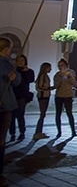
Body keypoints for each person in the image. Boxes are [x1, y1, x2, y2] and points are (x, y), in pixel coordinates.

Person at [0, 37, 20, 187]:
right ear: (6, 49)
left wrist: (14, 77)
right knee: (1, 140)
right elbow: (14, 77)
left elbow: (17, 79)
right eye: (10, 49)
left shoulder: (8, 63)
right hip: (4, 104)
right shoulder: (5, 63)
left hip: (6, 103)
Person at [9, 54, 34, 141]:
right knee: (11, 116)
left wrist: (26, 71)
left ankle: (22, 132)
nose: (20, 62)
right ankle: (12, 133)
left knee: (20, 115)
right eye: (19, 60)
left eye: (22, 60)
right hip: (12, 95)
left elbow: (30, 80)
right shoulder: (14, 71)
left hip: (22, 96)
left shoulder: (29, 71)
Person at [52, 58, 77, 138]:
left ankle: (73, 131)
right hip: (59, 96)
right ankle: (59, 131)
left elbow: (74, 83)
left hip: (68, 95)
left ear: (66, 66)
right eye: (59, 66)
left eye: (62, 65)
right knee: (58, 114)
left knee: (69, 113)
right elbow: (56, 85)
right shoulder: (57, 75)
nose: (60, 67)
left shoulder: (71, 72)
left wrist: (69, 76)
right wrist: (60, 77)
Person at [32, 63, 52, 140]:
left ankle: (39, 132)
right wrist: (47, 89)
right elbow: (39, 87)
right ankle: (38, 132)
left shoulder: (44, 76)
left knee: (43, 114)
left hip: (45, 96)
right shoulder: (43, 76)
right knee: (42, 114)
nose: (50, 69)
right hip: (43, 96)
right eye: (49, 68)